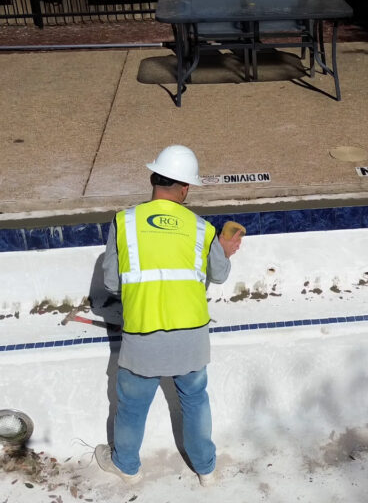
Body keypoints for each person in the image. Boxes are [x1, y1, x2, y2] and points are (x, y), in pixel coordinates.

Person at [95, 145, 242, 487]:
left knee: (131, 405)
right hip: (191, 336)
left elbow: (112, 281)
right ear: (186, 188)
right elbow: (218, 276)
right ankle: (205, 469)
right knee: (194, 401)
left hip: (143, 335)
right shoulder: (203, 229)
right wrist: (223, 250)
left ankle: (127, 467)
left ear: (153, 178)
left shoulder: (124, 222)